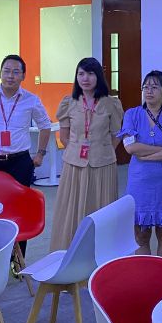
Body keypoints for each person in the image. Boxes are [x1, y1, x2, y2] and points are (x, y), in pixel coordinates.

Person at [0, 55, 52, 231]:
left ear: (23, 76)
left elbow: (45, 126)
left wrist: (40, 154)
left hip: (19, 162)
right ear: (0, 74)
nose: (10, 76)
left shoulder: (31, 100)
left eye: (16, 72)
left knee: (19, 208)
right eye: (6, 71)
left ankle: (18, 247)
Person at [51, 57, 124, 251]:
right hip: (74, 166)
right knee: (71, 211)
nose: (85, 78)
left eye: (90, 74)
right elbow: (64, 137)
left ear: (98, 76)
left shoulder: (111, 103)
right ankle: (69, 252)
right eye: (81, 74)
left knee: (101, 209)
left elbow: (116, 135)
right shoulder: (69, 102)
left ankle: (100, 254)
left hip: (103, 165)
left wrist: (102, 150)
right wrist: (77, 151)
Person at [119, 70, 162, 257]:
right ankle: (144, 273)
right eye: (146, 87)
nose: (149, 91)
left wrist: (146, 155)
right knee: (141, 236)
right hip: (140, 184)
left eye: (154, 87)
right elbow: (131, 148)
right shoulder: (132, 114)